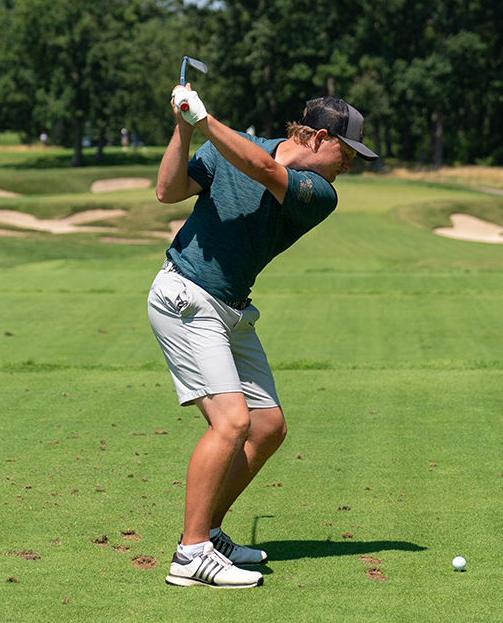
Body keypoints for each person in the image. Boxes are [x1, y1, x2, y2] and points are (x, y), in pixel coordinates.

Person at [148, 85, 376, 588]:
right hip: (185, 295)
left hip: (230, 308)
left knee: (267, 426)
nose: (350, 166)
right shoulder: (230, 146)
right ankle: (190, 555)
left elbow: (265, 169)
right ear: (320, 137)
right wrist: (185, 130)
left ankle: (206, 530)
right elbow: (168, 191)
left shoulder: (320, 193)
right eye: (348, 153)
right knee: (232, 423)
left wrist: (205, 120)